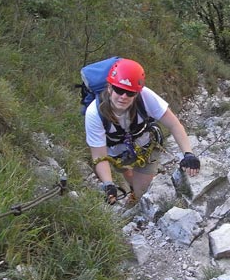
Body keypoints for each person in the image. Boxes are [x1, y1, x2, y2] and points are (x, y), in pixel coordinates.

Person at [85, 58, 200, 205]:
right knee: (126, 172)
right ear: (109, 88)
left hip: (146, 146)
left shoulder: (145, 96)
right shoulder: (95, 113)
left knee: (142, 194)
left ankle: (138, 193)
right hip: (116, 153)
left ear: (137, 93)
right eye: (119, 90)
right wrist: (108, 184)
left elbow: (174, 125)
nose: (123, 97)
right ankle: (133, 187)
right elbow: (99, 157)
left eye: (130, 93)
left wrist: (188, 153)